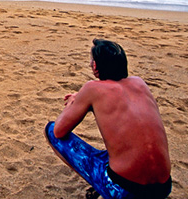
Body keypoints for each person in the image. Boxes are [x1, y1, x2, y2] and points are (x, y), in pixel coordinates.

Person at [45, 39, 172, 199]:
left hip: (126, 191)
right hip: (163, 188)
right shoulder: (139, 83)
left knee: (50, 130)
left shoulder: (93, 89)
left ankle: (102, 185)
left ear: (95, 66)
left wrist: (75, 102)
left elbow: (59, 130)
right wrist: (85, 100)